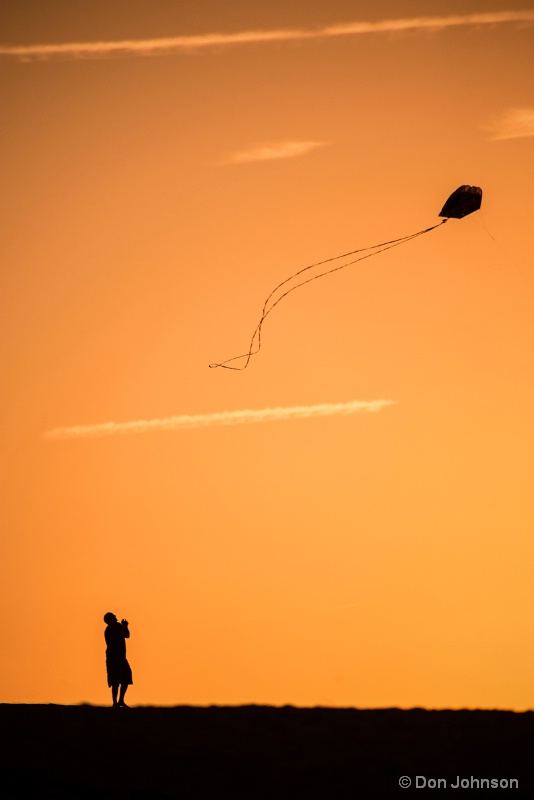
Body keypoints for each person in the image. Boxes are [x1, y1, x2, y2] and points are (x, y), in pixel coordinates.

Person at [103, 612, 133, 708]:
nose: (116, 617)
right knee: (116, 681)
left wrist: (124, 626)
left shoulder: (115, 627)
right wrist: (124, 626)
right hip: (115, 658)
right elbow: (125, 635)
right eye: (113, 616)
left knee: (124, 679)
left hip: (120, 657)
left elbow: (126, 635)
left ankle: (119, 701)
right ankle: (116, 702)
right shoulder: (112, 628)